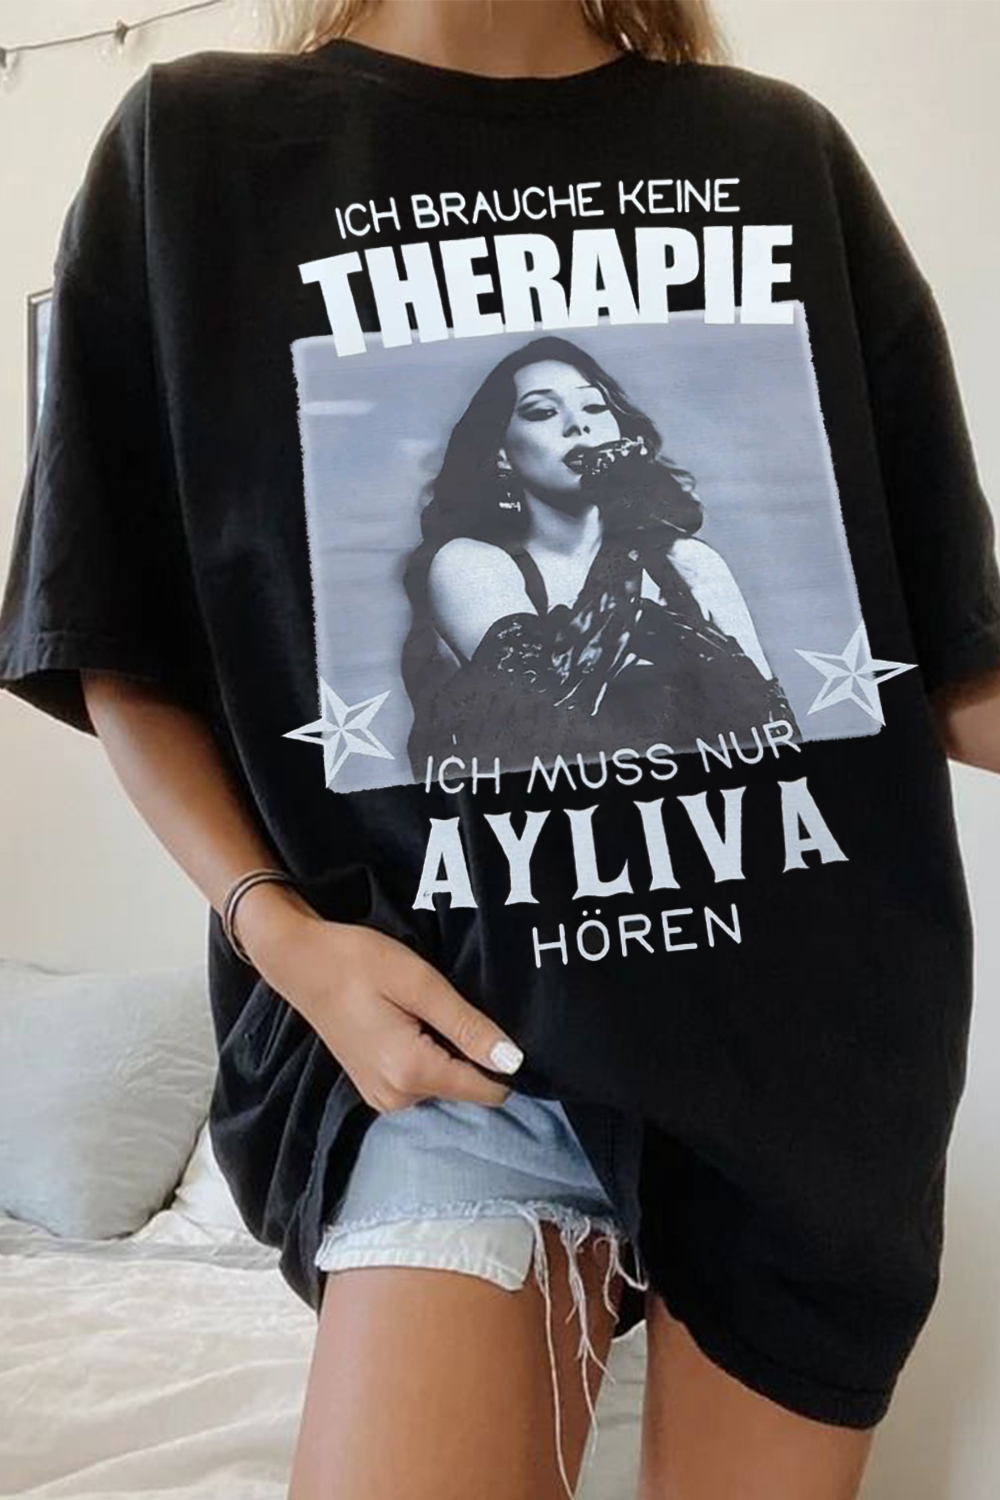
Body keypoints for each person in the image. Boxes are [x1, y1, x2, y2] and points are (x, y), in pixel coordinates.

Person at [0, 3, 998, 1499]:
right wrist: (286, 940)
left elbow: (945, 669)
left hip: (808, 1044)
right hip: (463, 1041)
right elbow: (111, 645)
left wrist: (675, 558)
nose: (582, 417)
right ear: (497, 445)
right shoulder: (197, 149)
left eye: (596, 398)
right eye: (544, 404)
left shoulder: (773, 150)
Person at [400, 331, 801, 779]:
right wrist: (628, 533)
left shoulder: (690, 564)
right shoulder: (469, 564)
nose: (578, 426)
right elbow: (545, 724)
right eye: (543, 412)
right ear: (502, 454)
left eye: (594, 407)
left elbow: (774, 730)